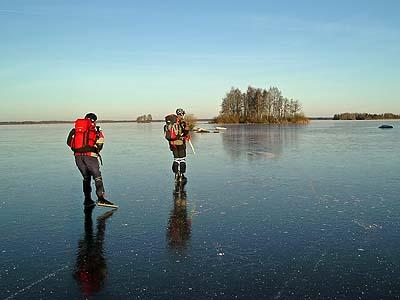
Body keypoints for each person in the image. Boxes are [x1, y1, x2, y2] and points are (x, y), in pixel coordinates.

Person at [67, 113, 115, 207]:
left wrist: (77, 150)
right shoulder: (95, 129)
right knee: (97, 176)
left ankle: (87, 200)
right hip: (90, 156)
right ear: (94, 120)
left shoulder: (75, 130)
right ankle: (101, 198)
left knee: (86, 178)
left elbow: (68, 142)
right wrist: (96, 150)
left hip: (78, 157)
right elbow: (100, 142)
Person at [164, 108, 190, 183]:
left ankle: (176, 175)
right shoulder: (182, 122)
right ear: (182, 114)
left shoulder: (169, 123)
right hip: (181, 143)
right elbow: (186, 131)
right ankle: (181, 176)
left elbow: (166, 134)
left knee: (176, 159)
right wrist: (186, 134)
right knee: (182, 159)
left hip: (172, 144)